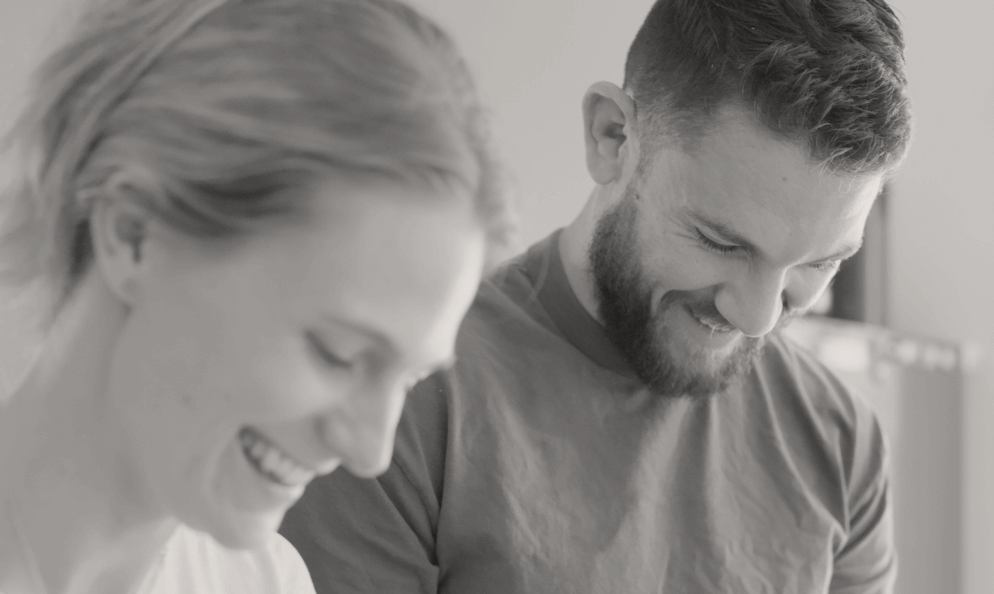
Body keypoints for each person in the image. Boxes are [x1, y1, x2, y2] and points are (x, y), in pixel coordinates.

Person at [280, 0, 914, 592]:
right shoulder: (399, 400)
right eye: (722, 242)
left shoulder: (839, 442)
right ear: (612, 136)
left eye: (818, 264)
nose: (756, 316)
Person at [0, 0, 513, 592]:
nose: (371, 451)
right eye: (337, 352)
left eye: (408, 379)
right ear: (134, 234)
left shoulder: (269, 579)